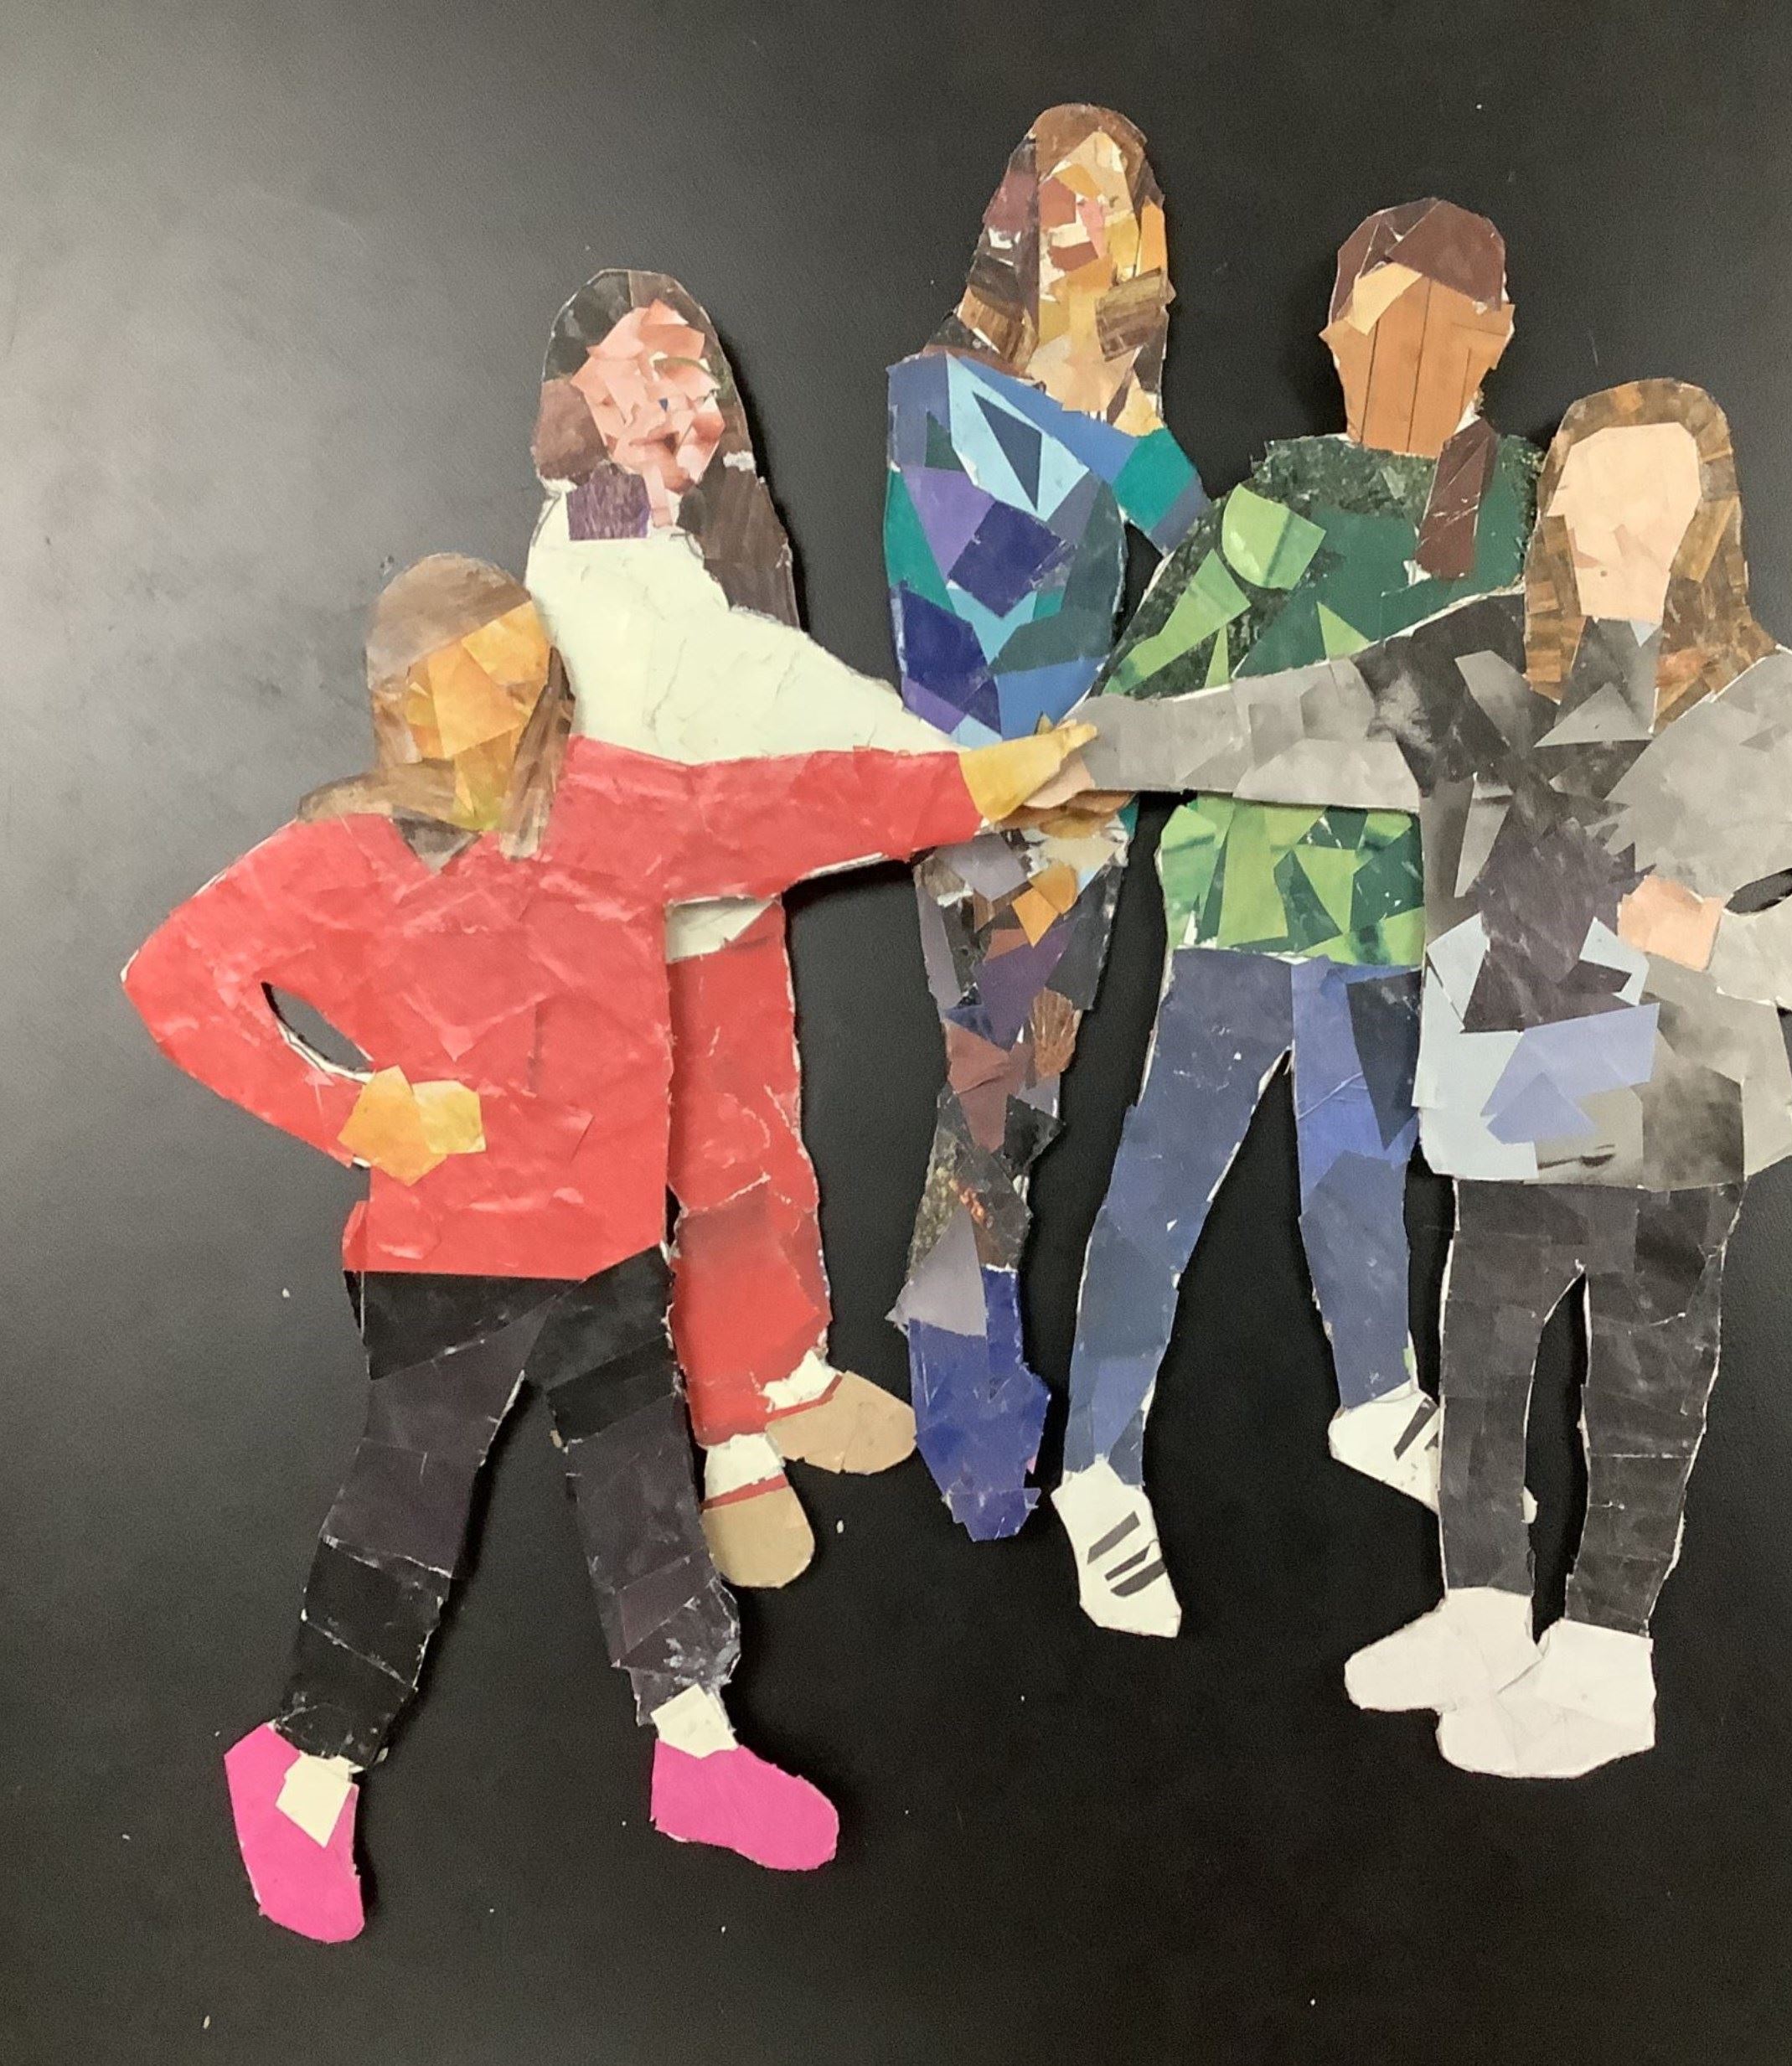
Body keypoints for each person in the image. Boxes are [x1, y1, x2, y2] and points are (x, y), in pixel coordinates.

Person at [123, 555, 1085, 1938]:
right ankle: (306, 1769)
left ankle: (696, 1745)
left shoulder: (607, 805)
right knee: (409, 1510)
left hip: (612, 1241)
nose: (519, 703)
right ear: (403, 706)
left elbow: (779, 806)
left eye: (528, 673)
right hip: (447, 1255)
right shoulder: (337, 857)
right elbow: (173, 976)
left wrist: (975, 784)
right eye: (481, 682)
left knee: (644, 1487)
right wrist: (349, 1109)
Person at [1069, 378, 1792, 1769]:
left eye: (1651, 510)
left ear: (1710, 524)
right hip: (1513, 1087)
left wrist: (1743, 943)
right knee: (1483, 1363)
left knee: (1643, 1382)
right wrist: (1088, 748)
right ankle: (1483, 1611)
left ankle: (1607, 1661)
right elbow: (1291, 720)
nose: (1614, 538)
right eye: (1587, 504)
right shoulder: (1485, 659)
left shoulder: (1779, 704)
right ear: (1550, 513)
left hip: (1676, 1111)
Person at [1050, 201, 1534, 1635]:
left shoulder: (1524, 509)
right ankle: (1095, 1461)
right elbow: (1135, 698)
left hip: (1412, 916)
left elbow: (1568, 701)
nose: (1406, 362)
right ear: (1331, 340)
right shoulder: (1281, 501)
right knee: (1166, 1172)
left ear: (1497, 341)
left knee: (1365, 1161)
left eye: (1441, 331)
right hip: (1251, 901)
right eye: (1378, 331)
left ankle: (1377, 1394)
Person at [524, 270, 950, 1589]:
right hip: (641, 928)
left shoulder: (686, 534)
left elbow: (752, 669)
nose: (677, 408)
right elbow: (727, 679)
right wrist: (916, 765)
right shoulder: (595, 539)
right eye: (641, 381)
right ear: (577, 404)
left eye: (694, 378)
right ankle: (727, 1435)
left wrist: (906, 762)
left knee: (770, 1137)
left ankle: (790, 1364)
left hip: (733, 904)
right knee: (707, 1170)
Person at [883, 105, 1207, 1541]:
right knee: (990, 1100)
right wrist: (1093, 427)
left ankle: (972, 1368)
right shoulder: (941, 388)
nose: (1086, 234)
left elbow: (1212, 568)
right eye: (1063, 203)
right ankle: (962, 1396)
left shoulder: (1120, 409)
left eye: (1115, 210)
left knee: (1029, 1102)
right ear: (1015, 222)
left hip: (1090, 816)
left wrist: (1129, 436)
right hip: (984, 812)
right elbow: (956, 624)